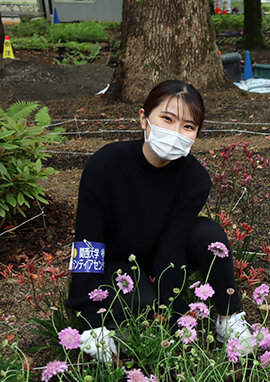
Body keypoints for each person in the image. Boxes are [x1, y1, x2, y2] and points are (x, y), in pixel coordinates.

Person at [65, 80, 254, 363]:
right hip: (116, 265)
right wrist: (89, 320)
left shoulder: (195, 179)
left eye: (188, 127)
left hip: (160, 259)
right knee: (140, 304)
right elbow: (88, 243)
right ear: (144, 118)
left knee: (209, 233)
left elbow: (173, 246)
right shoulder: (105, 165)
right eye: (167, 119)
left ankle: (229, 318)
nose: (175, 132)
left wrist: (173, 316)